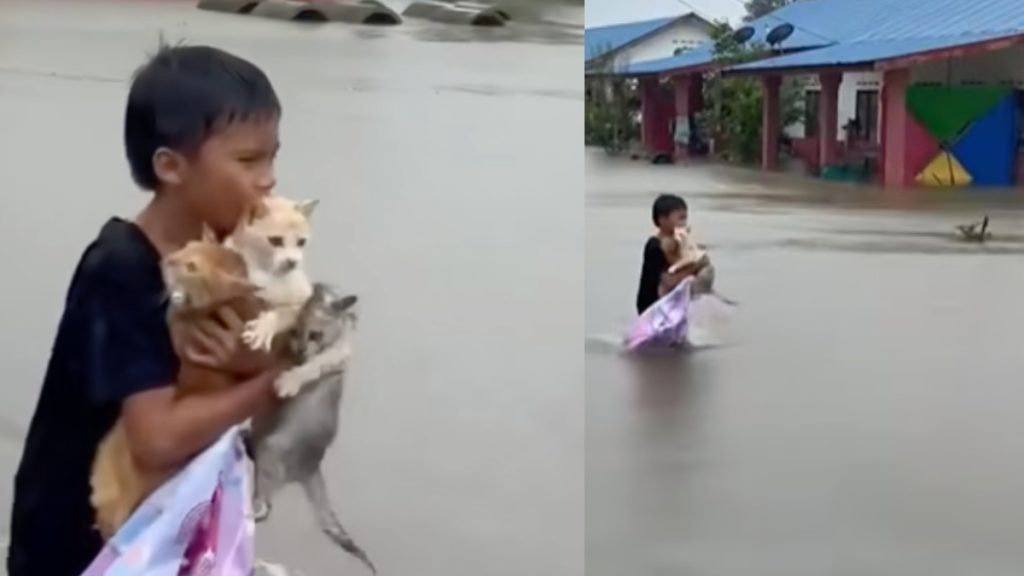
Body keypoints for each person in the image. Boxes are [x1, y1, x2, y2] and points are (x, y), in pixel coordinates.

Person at [7, 45, 291, 576]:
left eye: (273, 156)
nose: (268, 178)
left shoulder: (231, 265)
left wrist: (261, 368)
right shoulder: (122, 270)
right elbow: (156, 439)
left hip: (165, 531)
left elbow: (255, 414)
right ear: (170, 166)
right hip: (86, 547)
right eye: (248, 160)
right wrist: (271, 382)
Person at [635, 194, 714, 315]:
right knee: (704, 266)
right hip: (653, 306)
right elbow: (668, 281)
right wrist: (696, 265)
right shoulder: (654, 246)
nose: (684, 223)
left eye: (685, 218)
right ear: (662, 220)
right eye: (680, 218)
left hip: (670, 304)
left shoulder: (679, 242)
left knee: (706, 268)